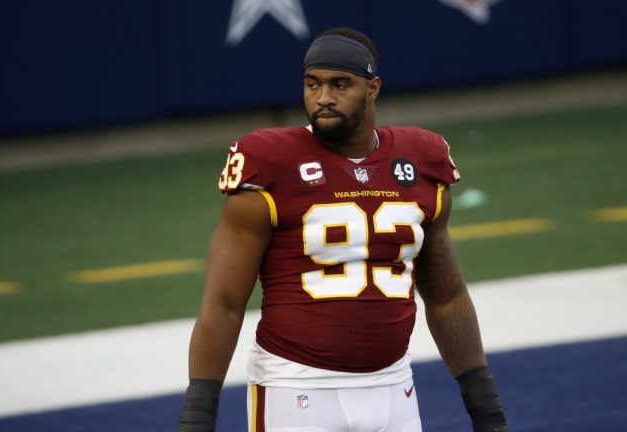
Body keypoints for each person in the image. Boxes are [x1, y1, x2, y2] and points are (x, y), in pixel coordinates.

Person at [178, 27, 507, 432]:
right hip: (295, 388)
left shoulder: (422, 159)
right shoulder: (270, 162)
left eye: (340, 84)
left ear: (373, 88)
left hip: (394, 387)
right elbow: (223, 304)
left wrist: (483, 401)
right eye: (312, 84)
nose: (324, 98)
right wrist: (198, 413)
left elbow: (446, 297)